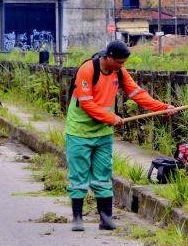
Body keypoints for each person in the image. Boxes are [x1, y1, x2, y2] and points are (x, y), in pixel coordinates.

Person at [65, 40, 176, 232]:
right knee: (79, 175)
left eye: (124, 63)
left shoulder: (119, 72)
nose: (122, 66)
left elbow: (137, 93)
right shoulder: (88, 70)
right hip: (79, 132)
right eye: (120, 62)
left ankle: (106, 218)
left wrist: (162, 107)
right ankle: (77, 218)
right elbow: (86, 103)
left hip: (103, 133)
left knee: (103, 174)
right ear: (108, 57)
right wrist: (111, 117)